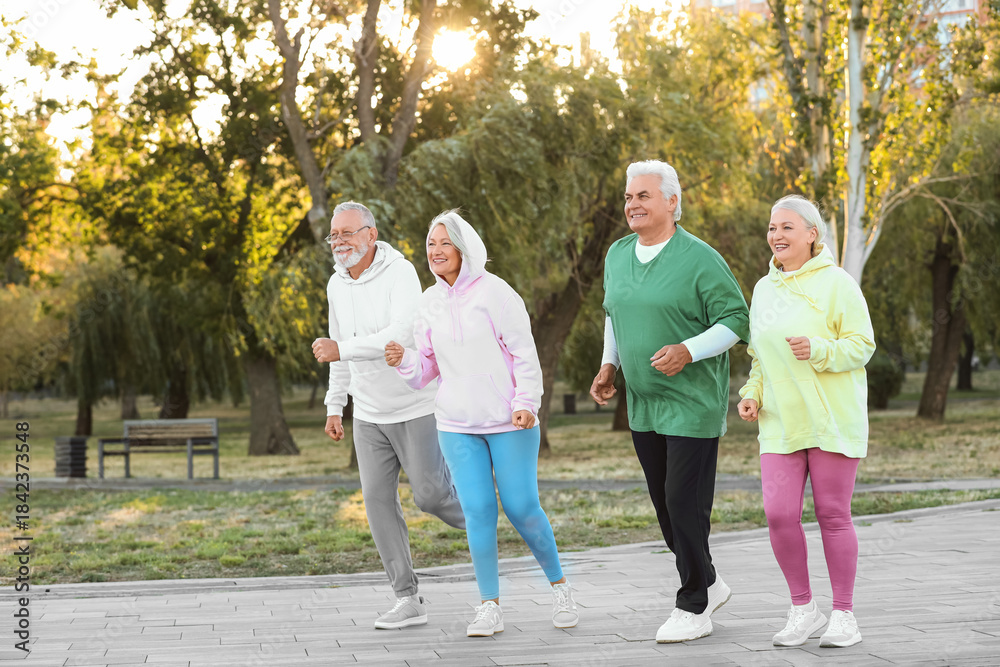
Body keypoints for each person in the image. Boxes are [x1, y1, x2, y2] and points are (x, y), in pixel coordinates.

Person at [384, 210, 579, 638]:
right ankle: (490, 606)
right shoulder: (428, 302)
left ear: (464, 248)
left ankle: (561, 588)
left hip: (510, 420)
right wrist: (404, 360)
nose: (436, 251)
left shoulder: (497, 293)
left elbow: (524, 353)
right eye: (430, 244)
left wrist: (526, 402)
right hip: (456, 424)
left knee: (522, 508)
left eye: (444, 243)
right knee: (477, 512)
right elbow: (426, 370)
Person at [590, 160, 749, 643]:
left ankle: (693, 605)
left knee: (684, 502)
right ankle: (710, 582)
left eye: (643, 196)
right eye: (628, 197)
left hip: (692, 403)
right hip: (644, 402)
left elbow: (736, 320)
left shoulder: (700, 258)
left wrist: (688, 351)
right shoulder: (618, 254)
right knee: (665, 506)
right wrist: (609, 365)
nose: (632, 204)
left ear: (672, 201)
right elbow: (614, 315)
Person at [312, 201, 465, 630]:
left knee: (430, 496)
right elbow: (338, 348)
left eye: (347, 233)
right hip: (368, 413)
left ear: (371, 234)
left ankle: (484, 520)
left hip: (415, 405)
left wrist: (342, 349)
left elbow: (401, 334)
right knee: (377, 503)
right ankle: (408, 598)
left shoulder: (400, 272)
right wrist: (335, 405)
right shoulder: (336, 284)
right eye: (334, 235)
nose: (339, 242)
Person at [737, 195, 875, 649]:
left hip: (831, 419)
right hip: (780, 421)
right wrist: (752, 394)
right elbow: (759, 356)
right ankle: (803, 608)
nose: (776, 235)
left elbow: (862, 345)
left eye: (787, 227)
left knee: (833, 514)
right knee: (779, 515)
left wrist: (820, 350)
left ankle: (844, 615)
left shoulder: (838, 283)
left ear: (812, 234)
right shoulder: (763, 289)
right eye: (772, 227)